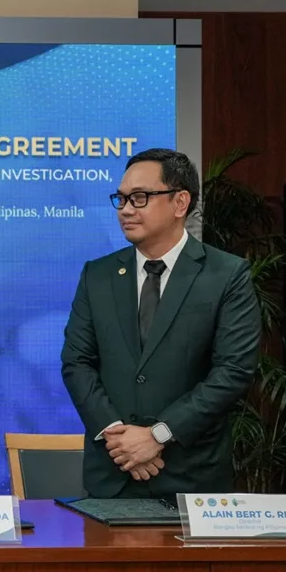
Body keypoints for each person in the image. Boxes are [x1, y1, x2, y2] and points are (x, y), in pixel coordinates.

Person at [61, 148, 261, 498]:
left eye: (139, 197)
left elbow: (233, 371)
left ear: (180, 202)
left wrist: (158, 435)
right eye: (121, 199)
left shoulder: (226, 275)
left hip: (191, 476)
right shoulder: (98, 275)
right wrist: (119, 438)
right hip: (114, 473)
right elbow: (77, 362)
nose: (126, 209)